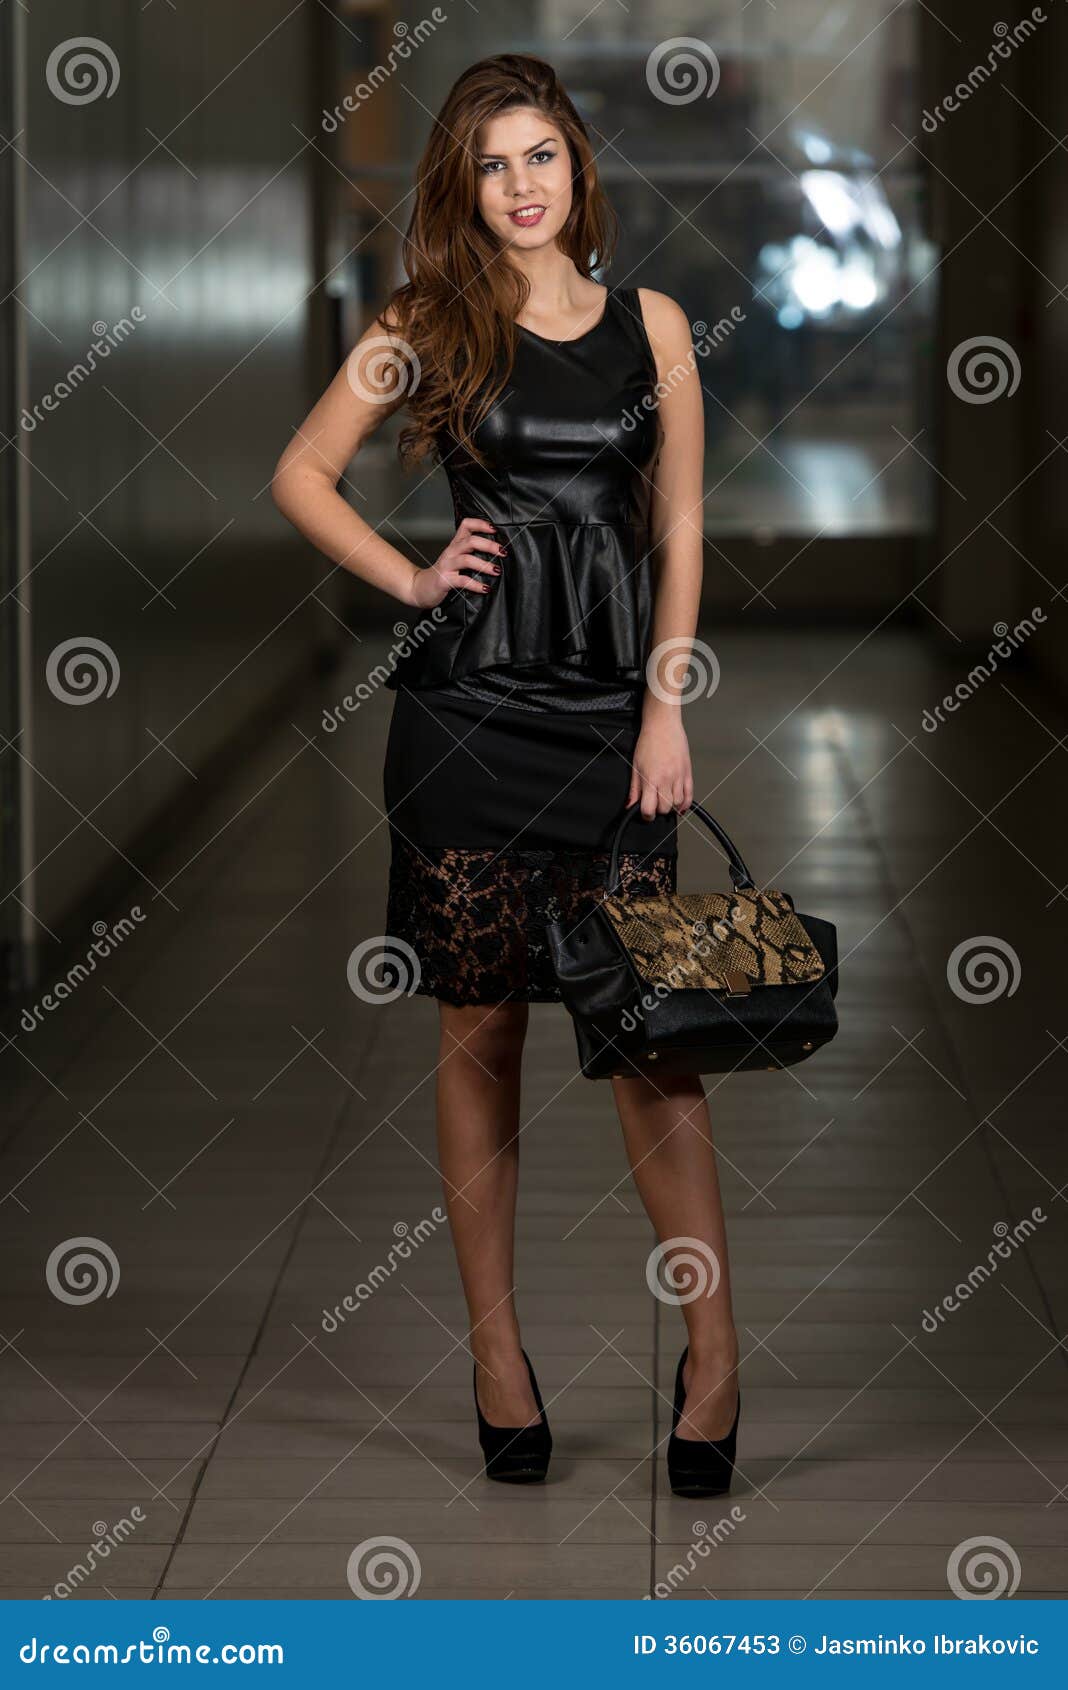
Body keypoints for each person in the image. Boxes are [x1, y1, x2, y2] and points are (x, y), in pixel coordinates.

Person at [271, 52, 739, 1495]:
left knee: (653, 1042)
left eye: (542, 157)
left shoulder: (652, 322)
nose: (523, 186)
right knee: (481, 1037)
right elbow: (300, 471)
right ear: (463, 186)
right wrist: (411, 577)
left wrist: (667, 707)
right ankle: (496, 1356)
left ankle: (714, 1357)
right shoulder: (428, 324)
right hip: (467, 721)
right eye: (494, 164)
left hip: (612, 729)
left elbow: (679, 533)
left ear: (576, 170)